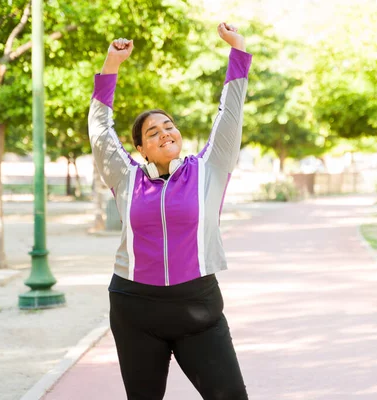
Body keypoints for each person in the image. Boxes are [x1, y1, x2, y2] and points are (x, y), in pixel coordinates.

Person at [88, 22, 252, 400]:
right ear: (141, 149)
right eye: (152, 132)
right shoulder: (125, 177)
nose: (164, 133)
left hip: (198, 307)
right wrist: (111, 64)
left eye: (169, 126)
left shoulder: (209, 169)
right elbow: (100, 129)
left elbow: (230, 114)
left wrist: (237, 50)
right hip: (135, 309)